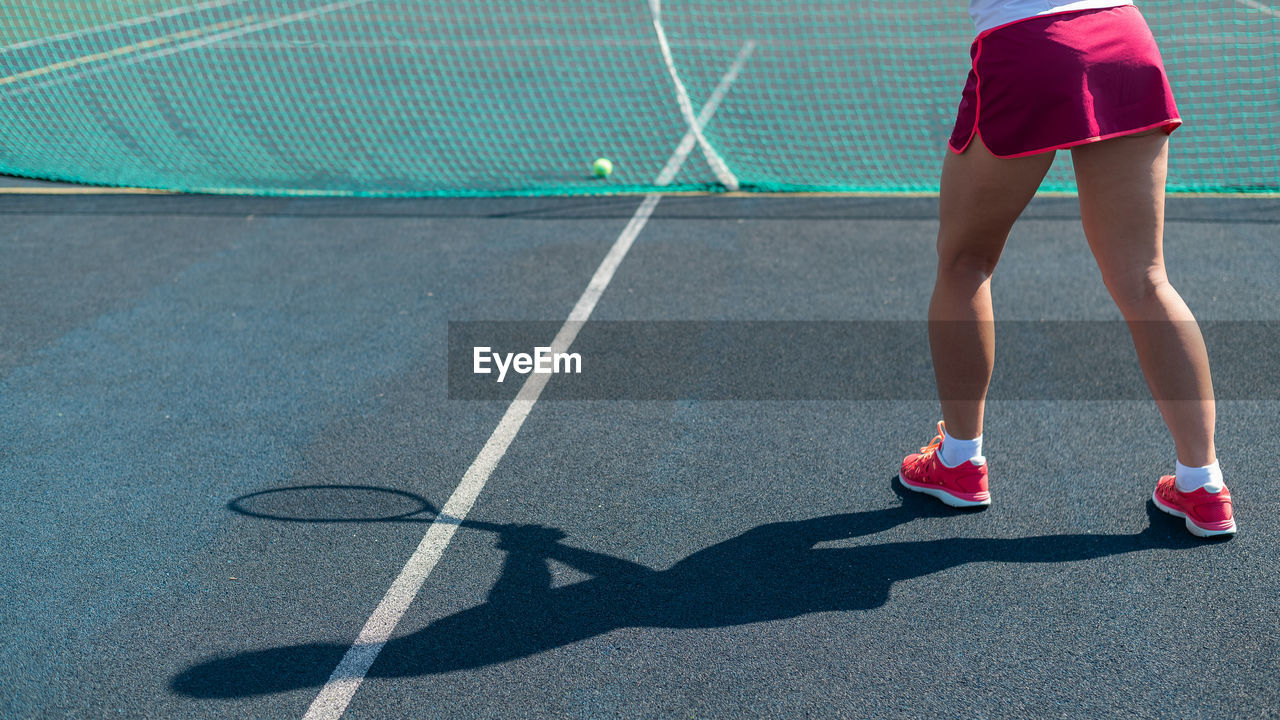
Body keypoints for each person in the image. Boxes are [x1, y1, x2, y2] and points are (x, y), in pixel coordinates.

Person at [896, 0, 1236, 537]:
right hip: (1123, 35)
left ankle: (959, 462)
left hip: (1027, 44)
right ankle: (1205, 485)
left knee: (965, 262)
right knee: (1146, 280)